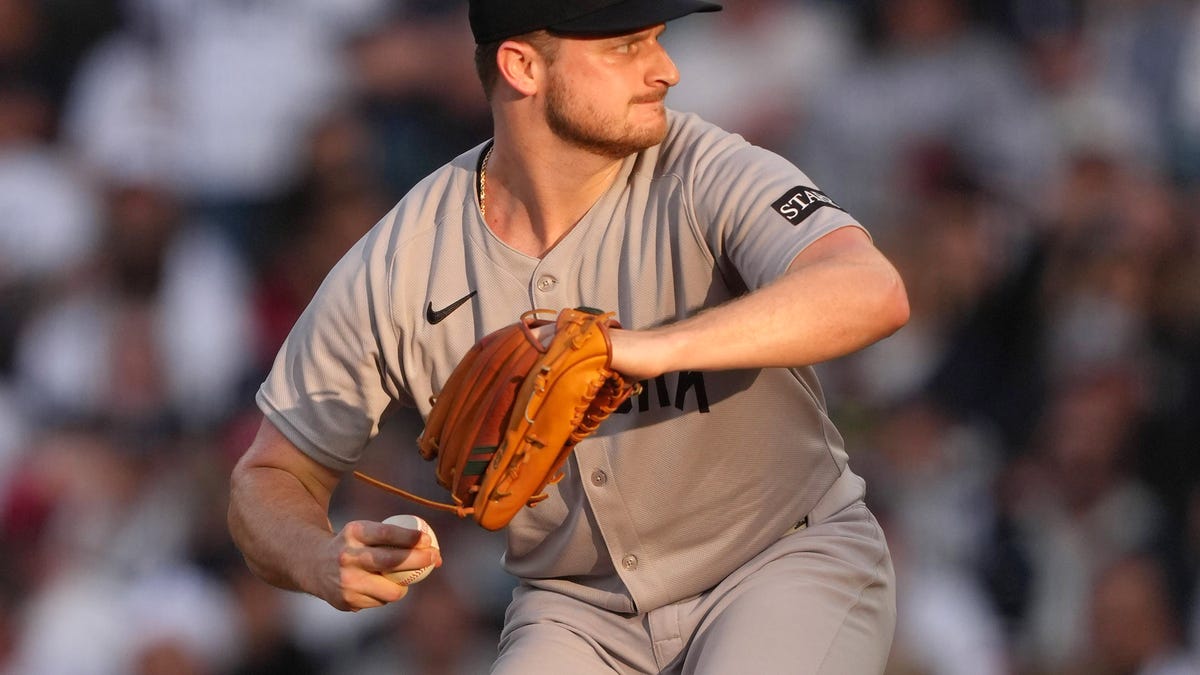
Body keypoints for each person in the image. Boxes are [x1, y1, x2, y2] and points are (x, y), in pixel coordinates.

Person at [228, 1, 910, 673]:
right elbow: (269, 475)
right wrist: (317, 558)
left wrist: (645, 347)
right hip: (577, 611)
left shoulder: (705, 166)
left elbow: (869, 289)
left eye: (657, 39)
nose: (665, 69)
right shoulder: (404, 260)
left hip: (780, 559)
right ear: (522, 66)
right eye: (625, 47)